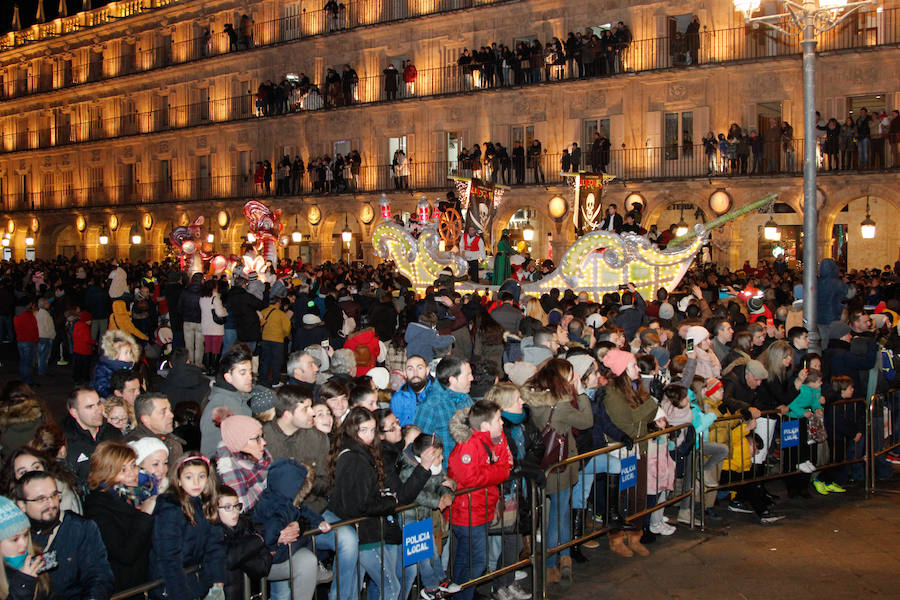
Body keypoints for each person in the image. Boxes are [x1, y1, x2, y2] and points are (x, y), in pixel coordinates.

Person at [328, 407, 434, 600]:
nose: (369, 435)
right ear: (353, 431)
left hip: (371, 529)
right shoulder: (355, 459)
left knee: (361, 586)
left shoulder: (364, 453)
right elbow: (360, 504)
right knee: (389, 586)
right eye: (364, 430)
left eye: (372, 429)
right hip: (366, 531)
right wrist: (390, 501)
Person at [522, 359, 593, 581]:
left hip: (539, 464)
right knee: (557, 517)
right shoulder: (560, 404)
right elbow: (586, 421)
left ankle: (563, 557)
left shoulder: (530, 398)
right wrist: (581, 394)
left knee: (559, 513)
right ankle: (552, 563)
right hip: (560, 465)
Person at [447, 400, 512, 600]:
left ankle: (459, 593)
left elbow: (507, 462)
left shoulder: (490, 439)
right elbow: (471, 478)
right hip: (468, 513)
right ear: (484, 425)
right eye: (498, 420)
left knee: (467, 560)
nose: (502, 424)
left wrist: (497, 469)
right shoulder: (468, 445)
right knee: (476, 562)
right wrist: (499, 472)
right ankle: (461, 596)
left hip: (480, 509)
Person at [14, 471, 114, 599]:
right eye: (41, 499)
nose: (50, 503)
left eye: (54, 495)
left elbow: (99, 578)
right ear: (22, 505)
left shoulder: (79, 529)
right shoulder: (12, 538)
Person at [83, 441, 156, 597]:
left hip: (144, 582)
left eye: (133, 465)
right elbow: (125, 553)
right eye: (123, 470)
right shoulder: (98, 507)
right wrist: (145, 515)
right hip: (122, 588)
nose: (132, 473)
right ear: (105, 473)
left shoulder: (139, 495)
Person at [148, 456, 226, 600]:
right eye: (189, 477)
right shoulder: (170, 508)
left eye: (201, 476)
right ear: (178, 480)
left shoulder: (206, 505)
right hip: (170, 585)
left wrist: (217, 580)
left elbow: (215, 545)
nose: (196, 482)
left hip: (196, 581)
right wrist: (181, 595)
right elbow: (168, 557)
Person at [251, 459, 326, 600]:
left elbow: (303, 510)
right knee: (305, 539)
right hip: (274, 554)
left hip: (276, 549)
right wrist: (272, 546)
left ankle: (315, 565)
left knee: (306, 540)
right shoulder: (280, 508)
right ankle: (316, 566)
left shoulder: (277, 498)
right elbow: (271, 529)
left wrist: (318, 521)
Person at [413, 356, 475, 468]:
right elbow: (420, 448)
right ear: (452, 380)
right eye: (468, 375)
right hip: (446, 473)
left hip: (469, 469)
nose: (472, 378)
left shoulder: (465, 398)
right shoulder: (430, 406)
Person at [61, 387, 123, 488]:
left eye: (98, 404)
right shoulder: (65, 441)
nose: (98, 410)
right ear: (74, 413)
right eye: (90, 407)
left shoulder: (113, 434)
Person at [200, 344, 255, 456]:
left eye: (250, 372)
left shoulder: (237, 398)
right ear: (228, 377)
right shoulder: (222, 407)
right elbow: (211, 452)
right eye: (242, 373)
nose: (249, 377)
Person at [215, 416, 272, 512]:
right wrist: (264, 484)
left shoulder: (259, 454)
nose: (263, 442)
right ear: (240, 442)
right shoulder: (229, 467)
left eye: (262, 436)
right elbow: (240, 506)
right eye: (257, 438)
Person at [0, 449, 82, 516]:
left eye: (36, 467)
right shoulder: (9, 509)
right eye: (23, 472)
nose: (32, 474)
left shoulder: (64, 494)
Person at [0, 496, 51, 600]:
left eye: (26, 535)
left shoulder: (36, 560)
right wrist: (23, 586)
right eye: (15, 539)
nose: (24, 544)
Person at [124, 392, 184, 470]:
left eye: (169, 410)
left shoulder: (174, 443)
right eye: (163, 412)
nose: (171, 415)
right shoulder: (134, 447)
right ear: (146, 419)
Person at [390, 355, 433, 427]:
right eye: (410, 369)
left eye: (420, 368)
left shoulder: (439, 395)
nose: (415, 373)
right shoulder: (397, 399)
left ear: (427, 370)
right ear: (405, 373)